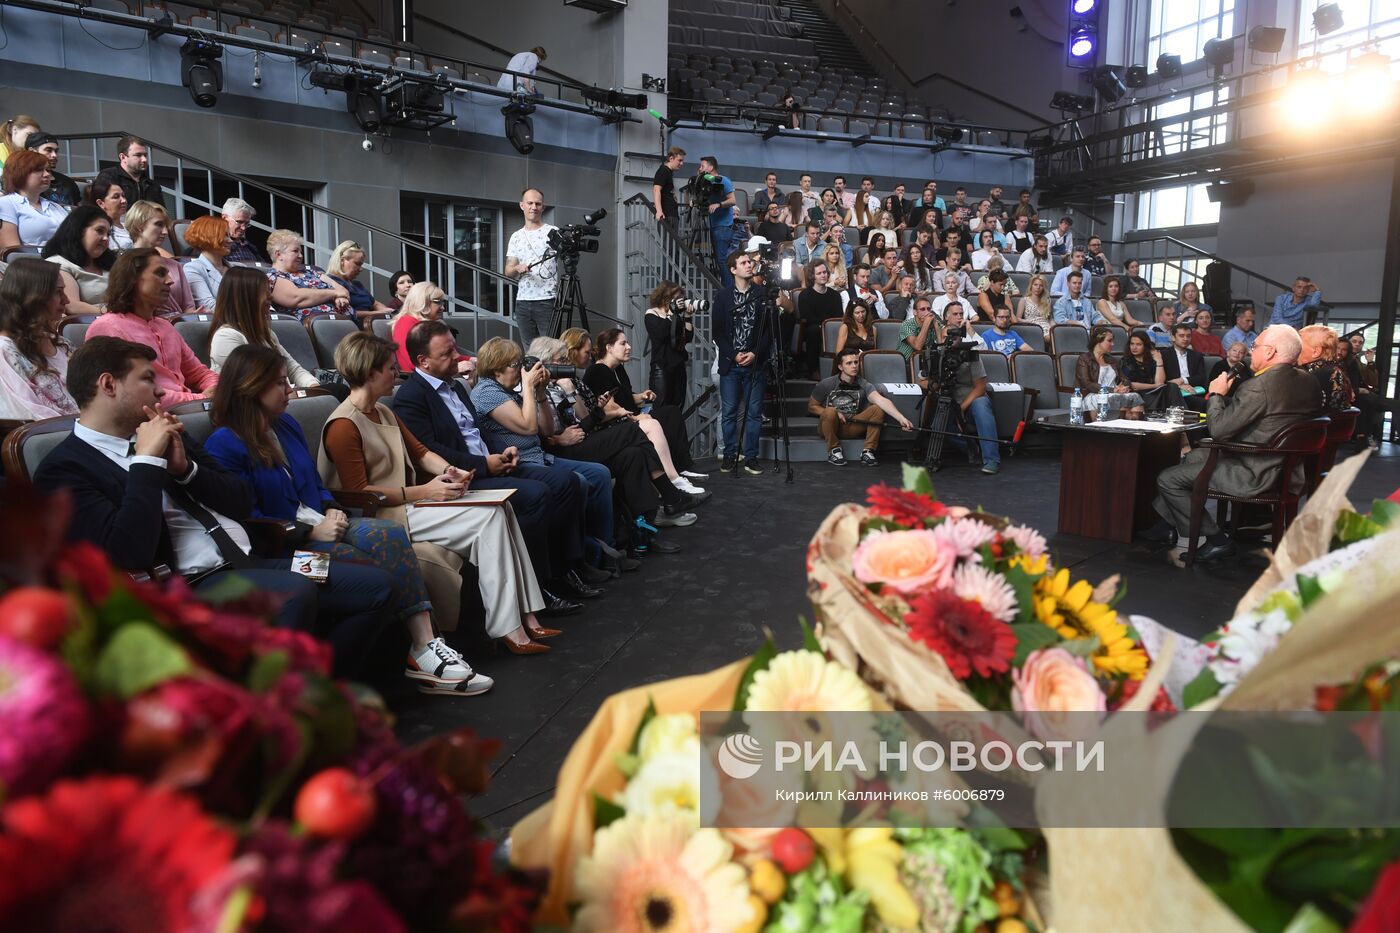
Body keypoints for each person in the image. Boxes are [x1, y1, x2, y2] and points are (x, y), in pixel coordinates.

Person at [35, 336, 397, 679]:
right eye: (147, 379)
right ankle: (280, 717)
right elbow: (128, 550)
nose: (160, 389)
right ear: (108, 385)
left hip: (252, 560)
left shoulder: (165, 430)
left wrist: (185, 470)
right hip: (194, 584)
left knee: (377, 583)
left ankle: (311, 694)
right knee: (295, 591)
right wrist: (146, 463)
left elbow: (239, 499)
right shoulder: (66, 469)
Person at [204, 344, 482, 692]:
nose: (290, 389)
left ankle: (424, 648)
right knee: (369, 568)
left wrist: (330, 507)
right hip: (285, 555)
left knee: (389, 535)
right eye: (279, 383)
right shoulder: (224, 444)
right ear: (251, 387)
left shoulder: (285, 425)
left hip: (326, 524)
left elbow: (316, 486)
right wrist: (309, 531)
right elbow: (246, 521)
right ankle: (333, 680)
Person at [320, 331, 561, 655]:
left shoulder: (383, 411)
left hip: (408, 500)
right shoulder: (343, 425)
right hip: (384, 515)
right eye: (390, 368)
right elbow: (359, 493)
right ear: (370, 372)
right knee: (489, 518)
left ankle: (527, 615)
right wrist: (427, 489)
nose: (396, 373)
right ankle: (509, 628)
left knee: (500, 508)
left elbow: (421, 454)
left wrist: (450, 471)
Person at [393, 322, 608, 600]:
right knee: (538, 494)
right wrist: (484, 464)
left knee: (566, 482)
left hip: (491, 464)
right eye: (447, 353)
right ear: (423, 361)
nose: (457, 355)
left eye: (454, 348)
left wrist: (503, 451)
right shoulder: (411, 397)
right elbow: (429, 451)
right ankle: (538, 586)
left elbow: (479, 432)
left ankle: (567, 568)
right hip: (464, 478)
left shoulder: (457, 388)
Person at [1145, 325, 1323, 560]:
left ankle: (1216, 539)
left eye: (1255, 346)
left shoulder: (1259, 387)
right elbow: (1266, 415)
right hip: (1288, 469)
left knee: (1168, 479)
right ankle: (1171, 523)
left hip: (1256, 471)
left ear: (1270, 352)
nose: (1251, 352)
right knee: (1193, 457)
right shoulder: (1308, 381)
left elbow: (1218, 431)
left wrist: (1217, 394)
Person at [548, 330, 685, 557]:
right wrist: (557, 436)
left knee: (634, 455)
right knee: (634, 430)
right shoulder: (539, 391)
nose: (565, 364)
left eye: (565, 359)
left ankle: (643, 535)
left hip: (588, 434)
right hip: (567, 449)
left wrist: (596, 407)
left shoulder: (571, 382)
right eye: (559, 361)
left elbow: (586, 418)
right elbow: (548, 429)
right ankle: (671, 495)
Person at [86, 249, 218, 404]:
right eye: (160, 273)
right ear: (133, 279)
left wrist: (215, 389)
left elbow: (199, 373)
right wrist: (200, 398)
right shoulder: (107, 328)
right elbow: (135, 393)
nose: (170, 281)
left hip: (186, 411)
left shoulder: (166, 326)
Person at [594, 327, 705, 495]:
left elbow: (626, 397)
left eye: (628, 343)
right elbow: (612, 408)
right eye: (623, 343)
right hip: (621, 422)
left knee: (672, 412)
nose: (629, 347)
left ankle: (681, 467)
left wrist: (641, 396)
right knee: (660, 419)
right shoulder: (599, 371)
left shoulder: (618, 369)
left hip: (632, 414)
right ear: (609, 348)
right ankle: (672, 476)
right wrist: (637, 417)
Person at [918, 302, 1000, 474]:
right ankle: (971, 447)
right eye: (947, 336)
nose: (951, 340)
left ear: (961, 338)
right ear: (941, 337)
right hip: (946, 400)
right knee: (940, 422)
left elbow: (980, 386)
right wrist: (937, 381)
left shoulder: (970, 354)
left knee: (982, 406)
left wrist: (961, 408)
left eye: (955, 337)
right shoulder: (934, 354)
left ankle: (991, 460)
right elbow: (922, 382)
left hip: (970, 399)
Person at [208, 266, 320, 388]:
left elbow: (293, 369)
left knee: (334, 391)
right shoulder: (226, 337)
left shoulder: (267, 334)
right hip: (252, 404)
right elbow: (255, 383)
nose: (270, 297)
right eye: (264, 292)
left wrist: (314, 387)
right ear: (246, 298)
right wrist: (294, 392)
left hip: (281, 397)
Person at [0, 258, 78, 419]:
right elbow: (32, 413)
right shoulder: (5, 351)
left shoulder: (61, 343)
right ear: (34, 296)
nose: (66, 300)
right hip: (61, 435)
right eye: (58, 292)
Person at [809, 347, 913, 466]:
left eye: (856, 362)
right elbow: (812, 406)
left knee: (877, 408)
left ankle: (868, 451)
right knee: (830, 411)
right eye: (849, 363)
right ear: (840, 367)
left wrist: (901, 418)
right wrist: (835, 412)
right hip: (829, 426)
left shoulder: (863, 383)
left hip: (851, 426)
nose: (854, 366)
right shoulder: (827, 383)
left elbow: (881, 400)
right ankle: (834, 450)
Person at [714, 250, 768, 474]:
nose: (749, 265)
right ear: (733, 269)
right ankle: (729, 455)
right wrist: (733, 355)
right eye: (744, 262)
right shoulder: (723, 297)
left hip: (755, 364)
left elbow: (768, 331)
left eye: (750, 262)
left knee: (754, 413)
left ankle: (751, 457)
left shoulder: (761, 294)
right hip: (731, 364)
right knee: (729, 412)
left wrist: (755, 353)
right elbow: (717, 332)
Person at [502, 187, 560, 343]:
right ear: (522, 205)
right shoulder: (516, 236)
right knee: (530, 352)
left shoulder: (553, 232)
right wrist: (516, 268)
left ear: (543, 207)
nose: (534, 207)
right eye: (530, 203)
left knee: (551, 351)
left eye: (538, 203)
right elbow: (508, 271)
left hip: (548, 300)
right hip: (523, 301)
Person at [124, 200, 197, 318]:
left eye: (165, 226)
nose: (165, 232)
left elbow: (188, 307)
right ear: (139, 226)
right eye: (159, 225)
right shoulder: (125, 264)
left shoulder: (175, 265)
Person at [42, 205, 114, 315]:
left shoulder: (111, 263)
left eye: (108, 234)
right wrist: (112, 313)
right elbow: (71, 306)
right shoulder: (58, 264)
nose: (106, 238)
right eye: (100, 231)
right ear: (79, 231)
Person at [265, 229, 352, 320]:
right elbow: (296, 298)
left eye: (301, 252)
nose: (301, 256)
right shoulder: (273, 277)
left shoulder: (311, 272)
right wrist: (334, 294)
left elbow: (342, 289)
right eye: (295, 251)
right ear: (278, 255)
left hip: (343, 320)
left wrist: (341, 297)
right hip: (313, 326)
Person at [390, 281, 469, 375]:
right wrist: (455, 367)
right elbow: (413, 363)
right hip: (423, 379)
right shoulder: (405, 322)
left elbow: (447, 355)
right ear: (422, 302)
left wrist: (472, 360)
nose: (443, 307)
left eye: (442, 302)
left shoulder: (434, 323)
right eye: (438, 302)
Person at [0, 149, 69, 252]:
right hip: (33, 265)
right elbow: (11, 252)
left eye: (48, 170)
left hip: (69, 262)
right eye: (39, 170)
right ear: (19, 172)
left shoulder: (56, 207)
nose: (47, 175)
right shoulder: (6, 204)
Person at [1075, 326, 1145, 419]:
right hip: (1095, 394)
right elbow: (1087, 383)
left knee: (1134, 396)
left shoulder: (1111, 360)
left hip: (1114, 393)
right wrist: (1112, 390)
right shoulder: (1084, 359)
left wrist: (1124, 386)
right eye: (1109, 341)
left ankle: (1134, 427)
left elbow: (1124, 379)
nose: (1113, 344)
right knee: (1110, 399)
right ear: (1098, 341)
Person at [643, 281, 693, 406]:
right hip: (662, 367)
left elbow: (687, 338)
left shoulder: (675, 316)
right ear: (665, 296)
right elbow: (660, 334)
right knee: (662, 406)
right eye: (676, 298)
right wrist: (671, 313)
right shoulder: (651, 314)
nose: (679, 301)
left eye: (680, 299)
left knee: (678, 407)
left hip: (678, 366)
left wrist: (687, 316)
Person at [797, 259, 842, 380]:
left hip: (832, 327)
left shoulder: (835, 295)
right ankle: (813, 369)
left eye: (824, 272)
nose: (823, 275)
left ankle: (840, 368)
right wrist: (824, 325)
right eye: (819, 273)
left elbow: (839, 316)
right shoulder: (805, 295)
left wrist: (829, 325)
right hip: (814, 327)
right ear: (813, 276)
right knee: (814, 331)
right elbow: (807, 316)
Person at [326, 240, 392, 320]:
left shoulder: (358, 285)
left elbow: (375, 304)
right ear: (342, 261)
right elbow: (345, 313)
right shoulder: (332, 282)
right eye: (357, 263)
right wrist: (377, 313)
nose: (361, 269)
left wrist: (388, 312)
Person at [697, 157, 737, 288]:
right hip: (714, 225)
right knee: (718, 259)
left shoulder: (723, 181)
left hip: (723, 226)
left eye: (702, 166)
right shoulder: (706, 182)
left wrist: (719, 204)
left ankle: (729, 288)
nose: (700, 168)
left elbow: (732, 200)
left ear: (710, 167)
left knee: (721, 259)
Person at [93, 136, 164, 209]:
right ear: (123, 157)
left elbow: (162, 213)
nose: (144, 159)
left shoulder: (152, 185)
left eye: (145, 155)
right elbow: (99, 209)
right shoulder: (108, 176)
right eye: (138, 155)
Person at [1120, 330, 1182, 412]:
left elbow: (1159, 381)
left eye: (1138, 344)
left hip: (1155, 392)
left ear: (1145, 346)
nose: (1134, 347)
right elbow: (1131, 385)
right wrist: (1155, 386)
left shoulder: (1151, 360)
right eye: (1132, 344)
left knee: (1172, 386)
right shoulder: (1126, 361)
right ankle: (1178, 413)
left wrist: (1159, 360)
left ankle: (1179, 414)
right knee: (1166, 389)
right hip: (1139, 395)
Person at [1297, 324, 1354, 412]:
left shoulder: (1311, 377)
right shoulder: (1338, 371)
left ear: (1316, 351)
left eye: (1299, 345)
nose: (1296, 349)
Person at [182, 215, 233, 312]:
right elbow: (210, 306)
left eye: (229, 235)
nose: (231, 240)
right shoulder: (193, 269)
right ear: (208, 236)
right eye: (225, 235)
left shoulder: (238, 267)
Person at [1160, 322, 1209, 408]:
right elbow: (1162, 381)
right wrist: (1179, 385)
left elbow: (1201, 378)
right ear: (1173, 338)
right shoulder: (1164, 355)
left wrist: (1183, 380)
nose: (1185, 339)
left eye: (1188, 336)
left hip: (1193, 390)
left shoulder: (1197, 356)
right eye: (1181, 336)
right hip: (1172, 393)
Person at [24, 133, 81, 208]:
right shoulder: (22, 181)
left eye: (56, 151)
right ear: (32, 151)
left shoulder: (68, 182)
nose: (54, 155)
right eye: (48, 150)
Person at [831, 297, 877, 370]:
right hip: (850, 365)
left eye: (863, 311)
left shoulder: (873, 329)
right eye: (857, 313)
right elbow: (839, 353)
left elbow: (874, 353)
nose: (861, 315)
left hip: (868, 365)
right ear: (851, 314)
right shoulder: (845, 327)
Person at [220, 197, 268, 264]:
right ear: (224, 218)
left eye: (247, 224)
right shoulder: (215, 246)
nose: (243, 228)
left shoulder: (250, 247)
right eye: (239, 222)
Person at [88, 176, 131, 250]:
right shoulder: (100, 231)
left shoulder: (130, 225)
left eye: (123, 196)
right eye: (116, 197)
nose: (124, 200)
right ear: (101, 203)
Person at [898, 295, 939, 368]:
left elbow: (941, 344)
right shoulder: (906, 325)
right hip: (906, 364)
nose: (927, 312)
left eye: (928, 309)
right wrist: (926, 323)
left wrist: (935, 324)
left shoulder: (932, 323)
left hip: (926, 362)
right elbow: (917, 346)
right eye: (923, 309)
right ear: (915, 312)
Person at [651, 146, 685, 227]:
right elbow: (656, 189)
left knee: (671, 239)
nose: (681, 163)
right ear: (671, 158)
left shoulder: (668, 172)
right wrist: (659, 211)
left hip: (671, 214)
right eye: (679, 160)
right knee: (669, 239)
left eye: (682, 161)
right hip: (667, 215)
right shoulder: (663, 170)